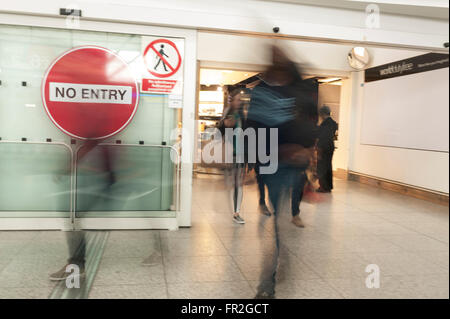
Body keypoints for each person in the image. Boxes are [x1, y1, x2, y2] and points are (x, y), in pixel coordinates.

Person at [218, 89, 246, 224]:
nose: (240, 102)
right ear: (232, 101)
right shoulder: (230, 114)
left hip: (239, 154)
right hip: (232, 154)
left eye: (240, 100)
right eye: (238, 99)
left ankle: (236, 212)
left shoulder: (239, 115)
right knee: (236, 184)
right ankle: (235, 213)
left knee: (238, 184)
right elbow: (224, 127)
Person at [316, 105, 338, 193]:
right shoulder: (333, 123)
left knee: (322, 167)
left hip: (324, 147)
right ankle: (328, 186)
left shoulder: (325, 123)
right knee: (328, 166)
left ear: (322, 114)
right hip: (330, 147)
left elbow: (323, 137)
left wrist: (318, 147)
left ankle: (323, 187)